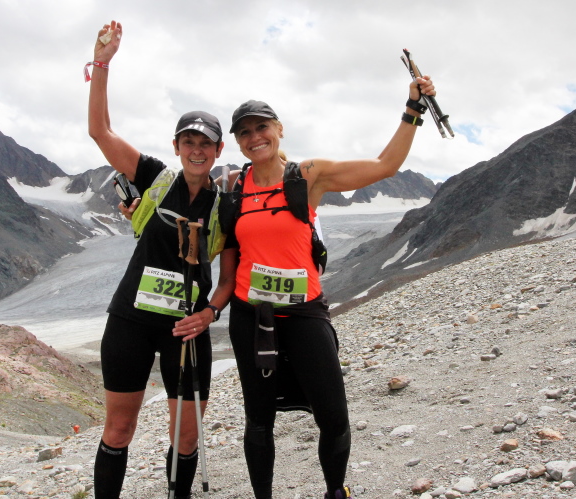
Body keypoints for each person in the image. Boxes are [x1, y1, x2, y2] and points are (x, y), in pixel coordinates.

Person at [223, 76, 436, 499]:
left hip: (304, 313)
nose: (254, 137)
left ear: (279, 129)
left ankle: (336, 491)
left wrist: (413, 109)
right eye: (244, 132)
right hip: (251, 316)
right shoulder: (233, 186)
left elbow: (384, 166)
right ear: (238, 142)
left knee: (333, 416)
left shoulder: (307, 176)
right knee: (259, 420)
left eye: (261, 127)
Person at [87, 20, 236, 499]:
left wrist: (210, 313)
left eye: (205, 143)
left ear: (218, 150)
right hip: (130, 321)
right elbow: (99, 131)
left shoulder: (225, 205)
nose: (197, 149)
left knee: (187, 436)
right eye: (188, 142)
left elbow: (228, 279)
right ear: (176, 147)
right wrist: (102, 65)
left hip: (186, 329)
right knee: (119, 429)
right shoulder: (154, 176)